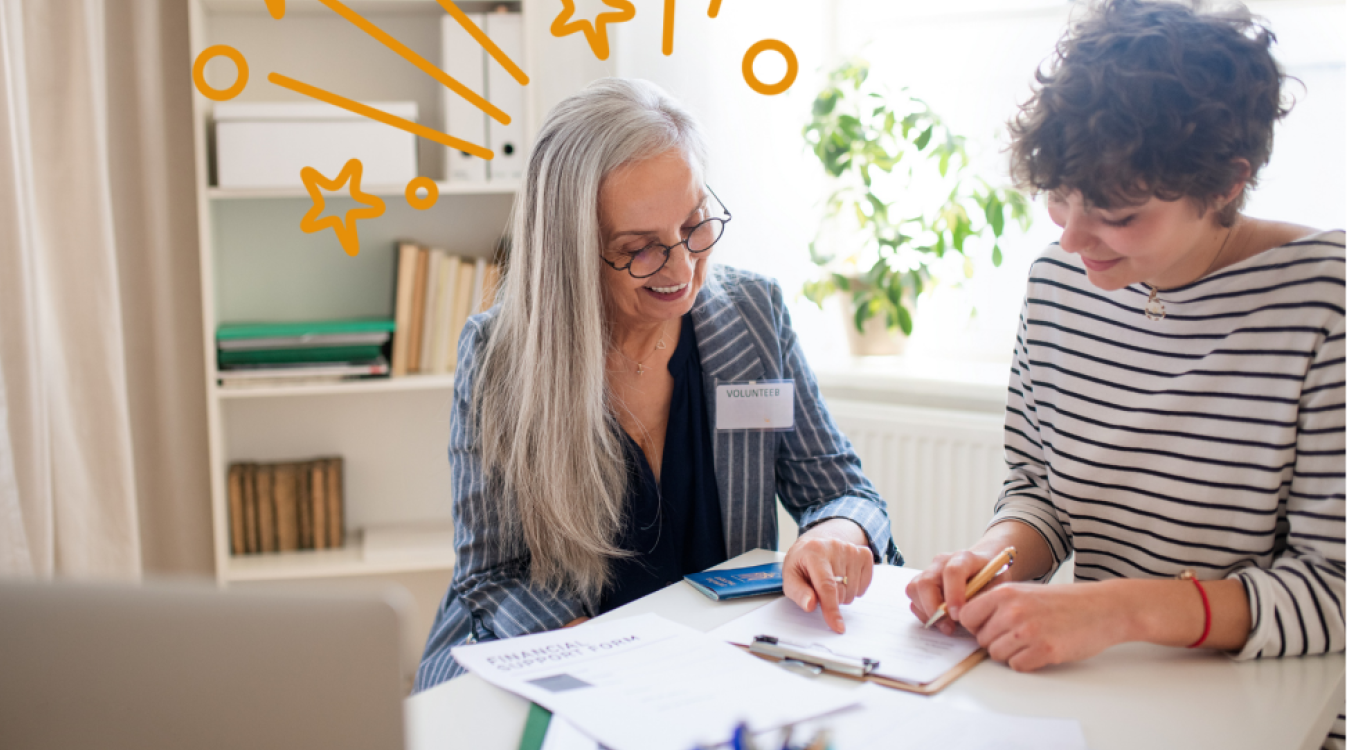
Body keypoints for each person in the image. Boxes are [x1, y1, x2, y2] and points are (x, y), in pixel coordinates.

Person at [904, 1, 1344, 747]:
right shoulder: (1057, 282)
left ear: (1226, 182)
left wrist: (1118, 610)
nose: (1073, 237)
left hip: (1274, 715)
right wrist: (993, 558)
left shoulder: (1325, 303)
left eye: (1119, 213)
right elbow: (1041, 492)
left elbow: (1334, 591)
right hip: (1106, 701)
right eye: (1059, 197)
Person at [415, 79, 901, 690]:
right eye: (640, 249)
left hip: (715, 668)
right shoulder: (500, 357)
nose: (682, 268)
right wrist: (602, 661)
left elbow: (845, 491)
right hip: (559, 661)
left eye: (695, 225)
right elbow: (491, 576)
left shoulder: (753, 314)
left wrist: (835, 534)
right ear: (572, 250)